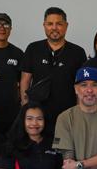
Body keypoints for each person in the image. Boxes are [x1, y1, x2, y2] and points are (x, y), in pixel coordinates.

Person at [20, 7, 87, 137]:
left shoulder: (77, 52)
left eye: (59, 24)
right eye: (50, 24)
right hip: (37, 116)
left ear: (66, 26)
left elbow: (81, 85)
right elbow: (25, 80)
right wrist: (25, 107)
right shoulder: (33, 48)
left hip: (67, 114)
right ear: (44, 25)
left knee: (64, 152)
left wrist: (79, 113)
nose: (54, 28)